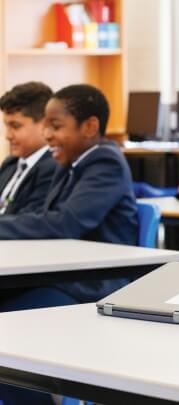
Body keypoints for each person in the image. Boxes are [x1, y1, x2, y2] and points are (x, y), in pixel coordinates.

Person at [0, 84, 139, 405]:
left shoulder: (105, 162)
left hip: (94, 285)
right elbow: (46, 219)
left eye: (56, 126)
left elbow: (65, 223)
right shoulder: (69, 163)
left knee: (7, 328)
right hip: (64, 277)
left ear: (90, 127)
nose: (47, 134)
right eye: (46, 125)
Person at [0, 82, 57, 215]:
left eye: (15, 126)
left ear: (45, 124)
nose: (8, 136)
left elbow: (29, 219)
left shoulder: (54, 168)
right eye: (6, 126)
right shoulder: (10, 163)